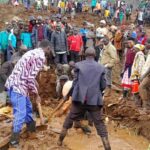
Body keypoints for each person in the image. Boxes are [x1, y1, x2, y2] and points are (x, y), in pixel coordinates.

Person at [57, 47, 111, 150]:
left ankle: (59, 142)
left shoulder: (78, 65)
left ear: (84, 55)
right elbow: (103, 85)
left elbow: (75, 83)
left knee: (69, 119)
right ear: (95, 55)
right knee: (100, 124)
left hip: (79, 100)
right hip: (94, 101)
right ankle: (107, 147)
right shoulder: (100, 67)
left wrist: (68, 95)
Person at [5, 40, 51, 147]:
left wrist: (34, 83)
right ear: (48, 48)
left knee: (28, 107)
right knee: (20, 113)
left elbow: (27, 73)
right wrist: (36, 94)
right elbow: (30, 78)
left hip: (17, 84)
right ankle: (14, 140)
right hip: (18, 87)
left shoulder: (31, 52)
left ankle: (31, 130)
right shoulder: (40, 57)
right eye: (50, 50)